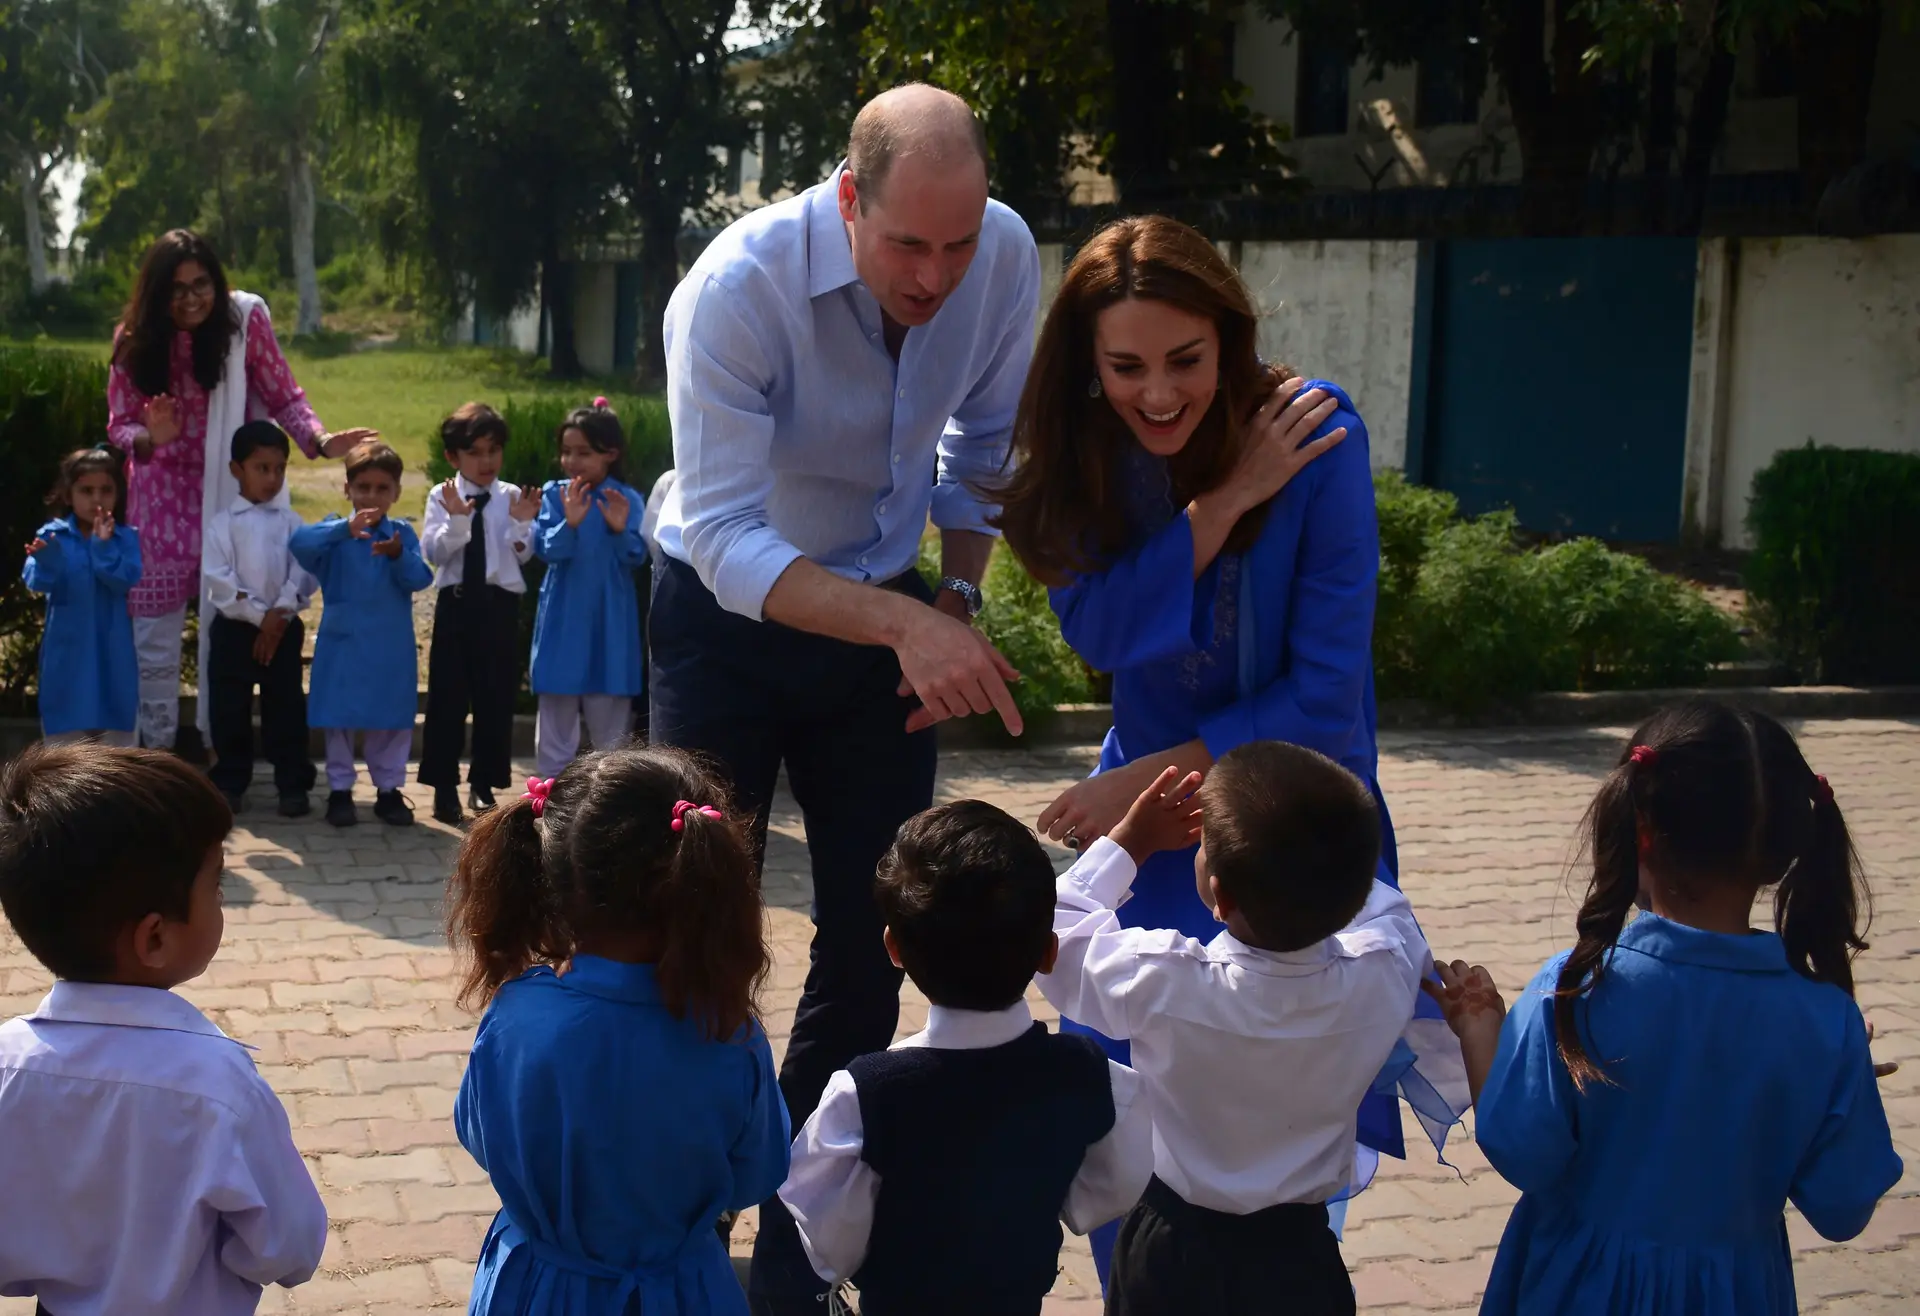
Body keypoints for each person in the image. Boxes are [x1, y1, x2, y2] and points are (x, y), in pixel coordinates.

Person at [993, 214, 1459, 1279]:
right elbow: (1098, 632)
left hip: (1292, 822)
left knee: (1285, 1140)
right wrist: (1223, 501)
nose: (1158, 393)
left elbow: (1328, 694)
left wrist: (1134, 779)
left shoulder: (1315, 430)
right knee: (1131, 1126)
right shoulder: (1089, 452)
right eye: (1127, 366)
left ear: (1231, 337)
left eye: (1186, 361)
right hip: (1157, 837)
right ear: (1087, 362)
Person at [652, 84, 1040, 1311]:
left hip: (885, 617)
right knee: (693, 924)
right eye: (908, 244)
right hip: (722, 621)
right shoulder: (740, 285)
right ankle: (678, 1203)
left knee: (874, 940)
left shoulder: (1007, 253)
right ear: (846, 200)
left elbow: (986, 454)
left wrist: (959, 611)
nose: (937, 275)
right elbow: (720, 536)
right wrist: (908, 622)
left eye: (960, 240)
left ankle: (797, 1234)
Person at [1423, 700, 1903, 1316]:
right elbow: (1842, 1208)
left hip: (1575, 1289)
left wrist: (1481, 1033)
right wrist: (1844, 1079)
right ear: (1788, 842)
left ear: (1638, 826)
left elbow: (1524, 1154)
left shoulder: (1574, 988)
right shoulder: (1825, 1021)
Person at [1035, 745, 1435, 1316]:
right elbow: (1390, 912)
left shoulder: (1165, 980)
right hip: (1300, 1261)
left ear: (1219, 897)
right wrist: (1328, 867)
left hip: (1172, 1252)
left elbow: (1058, 931)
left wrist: (1132, 842)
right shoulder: (1382, 975)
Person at [447, 746, 790, 1315]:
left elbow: (480, 1138)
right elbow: (757, 1173)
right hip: (683, 1291)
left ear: (552, 878)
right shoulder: (728, 1031)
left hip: (535, 1288)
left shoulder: (516, 1015)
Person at [779, 800, 1153, 1315]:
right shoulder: (1092, 1075)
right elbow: (1104, 1194)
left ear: (893, 948)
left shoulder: (863, 1094)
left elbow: (829, 1241)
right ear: (1049, 953)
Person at [0, 742, 327, 1312]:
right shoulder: (219, 1085)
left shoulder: (7, 1065)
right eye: (216, 887)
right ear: (154, 937)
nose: (222, 903)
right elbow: (290, 1247)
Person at [106, 229, 375, 756]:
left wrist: (319, 441)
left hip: (233, 496)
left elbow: (284, 395)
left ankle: (223, 754)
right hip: (159, 501)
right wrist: (147, 437)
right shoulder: (132, 340)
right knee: (154, 640)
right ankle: (155, 758)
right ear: (156, 294)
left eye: (200, 284)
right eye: (177, 289)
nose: (191, 299)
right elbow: (118, 425)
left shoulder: (242, 324)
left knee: (234, 626)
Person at [290, 441, 432, 828]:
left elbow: (421, 577)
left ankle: (388, 790)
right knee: (339, 719)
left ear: (396, 492)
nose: (371, 496)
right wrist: (343, 529)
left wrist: (398, 555)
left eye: (382, 488)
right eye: (363, 487)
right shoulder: (334, 534)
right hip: (344, 643)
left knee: (389, 720)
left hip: (390, 647)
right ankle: (339, 790)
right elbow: (298, 544)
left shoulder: (401, 534)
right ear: (347, 489)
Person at [420, 402, 539, 825]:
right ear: (453, 457)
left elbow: (522, 556)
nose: (486, 461)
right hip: (456, 604)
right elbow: (434, 553)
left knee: (494, 696)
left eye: (494, 450)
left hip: (498, 606)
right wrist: (456, 522)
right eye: (475, 452)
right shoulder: (442, 495)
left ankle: (484, 782)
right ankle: (443, 786)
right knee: (448, 697)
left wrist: (523, 526)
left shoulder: (510, 497)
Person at [202, 421, 318, 817]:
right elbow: (219, 580)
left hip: (282, 628)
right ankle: (230, 780)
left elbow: (302, 572)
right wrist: (257, 616)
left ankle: (292, 783)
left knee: (285, 706)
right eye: (261, 468)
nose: (272, 478)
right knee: (229, 707)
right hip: (235, 629)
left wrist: (279, 614)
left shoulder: (293, 524)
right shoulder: (222, 524)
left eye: (279, 468)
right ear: (237, 469)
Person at [529, 400, 647, 778]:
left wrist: (617, 529)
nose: (571, 461)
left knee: (611, 730)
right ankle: (547, 804)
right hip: (563, 620)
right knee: (555, 725)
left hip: (609, 623)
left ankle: (613, 804)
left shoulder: (625, 500)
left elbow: (637, 557)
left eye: (583, 452)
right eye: (566, 452)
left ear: (610, 453)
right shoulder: (554, 496)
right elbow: (546, 549)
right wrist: (571, 523)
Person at [22, 447, 142, 747]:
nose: (97, 499)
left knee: (114, 742)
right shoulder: (52, 536)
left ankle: (116, 795)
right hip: (68, 654)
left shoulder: (126, 538)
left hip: (112, 651)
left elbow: (125, 580)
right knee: (66, 742)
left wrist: (102, 549)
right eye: (86, 490)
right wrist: (48, 562)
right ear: (68, 494)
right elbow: (35, 580)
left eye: (106, 490)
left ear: (118, 493)